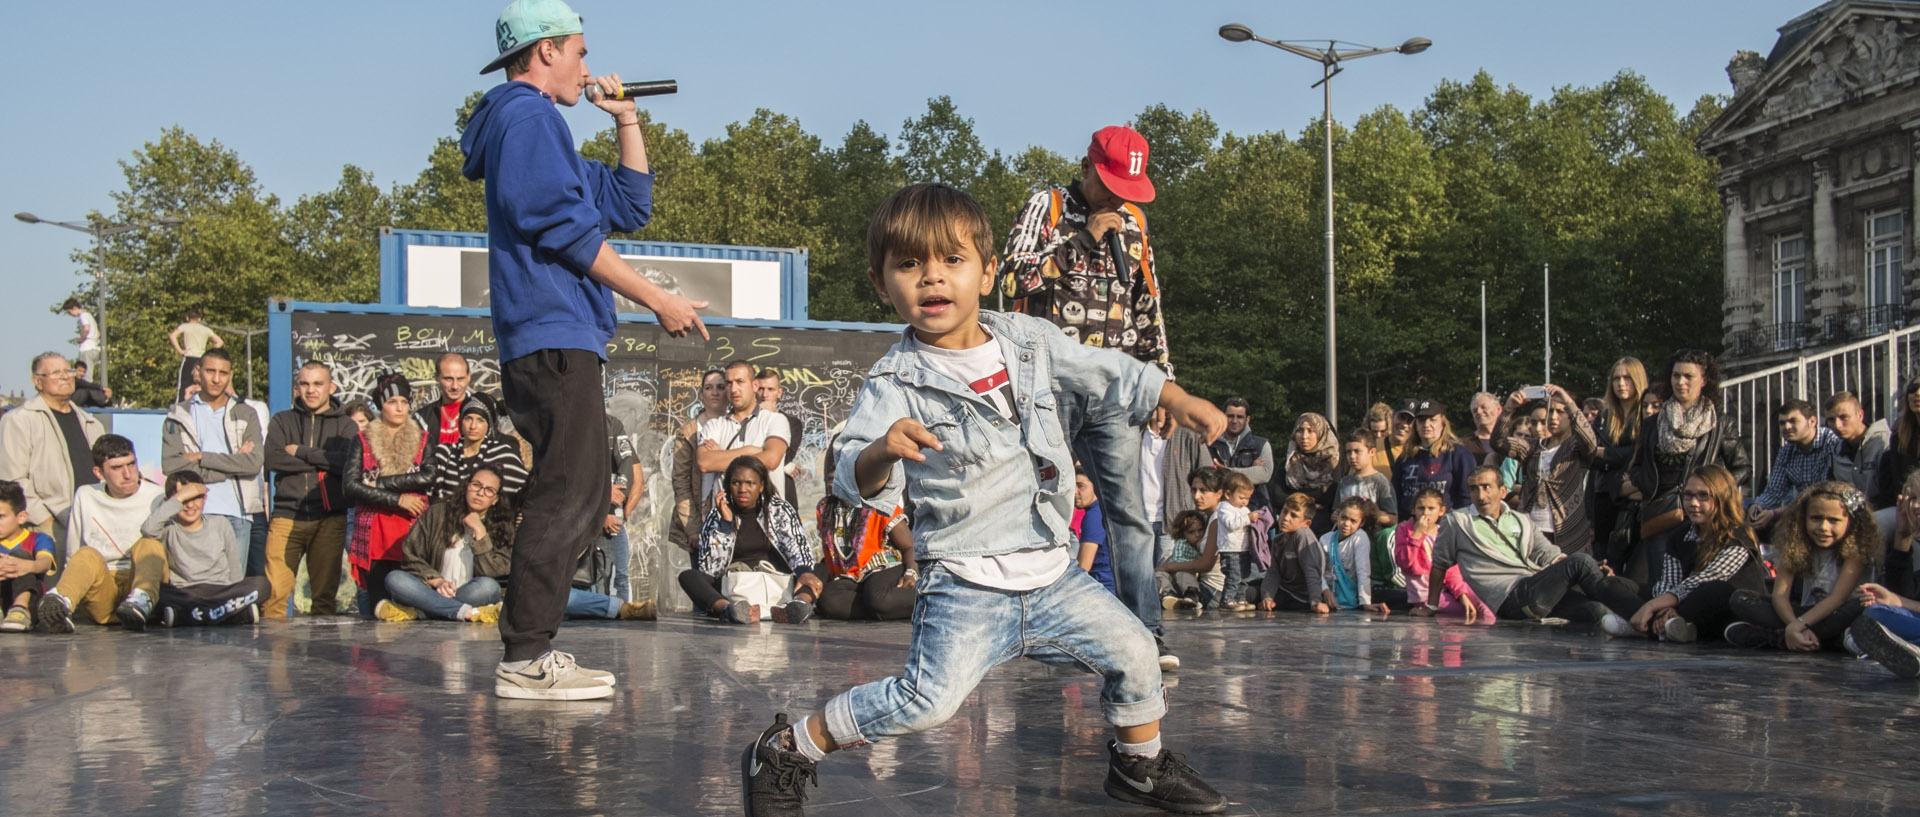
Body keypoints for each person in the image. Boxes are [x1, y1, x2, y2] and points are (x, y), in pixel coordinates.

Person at [740, 183, 1227, 817]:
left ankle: (1138, 765)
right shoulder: (895, 379)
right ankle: (788, 747)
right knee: (926, 702)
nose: (932, 278)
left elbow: (1105, 369)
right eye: (910, 265)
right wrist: (883, 449)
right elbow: (848, 473)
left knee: (1137, 651)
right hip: (966, 583)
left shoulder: (1029, 341)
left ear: (989, 271)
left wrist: (1176, 398)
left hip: (1054, 577)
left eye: (952, 261)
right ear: (881, 281)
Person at [465, 0, 711, 701]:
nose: (585, 65)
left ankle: (528, 649)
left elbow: (630, 204)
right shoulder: (528, 117)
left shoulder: (543, 136)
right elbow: (566, 230)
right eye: (577, 50)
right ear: (544, 52)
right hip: (553, 332)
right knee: (571, 489)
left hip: (555, 336)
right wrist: (656, 298)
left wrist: (627, 117)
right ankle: (525, 655)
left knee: (571, 486)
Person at [997, 125, 1177, 666]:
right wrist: (1080, 240)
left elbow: (1148, 303)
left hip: (1115, 386)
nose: (1120, 197)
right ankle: (1037, 627)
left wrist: (1162, 381)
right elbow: (1008, 280)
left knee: (1129, 512)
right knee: (1044, 505)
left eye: (1129, 187)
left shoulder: (1136, 225)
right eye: (1111, 183)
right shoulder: (1047, 207)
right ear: (1086, 167)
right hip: (1048, 382)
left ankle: (1146, 632)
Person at [1417, 467, 1615, 624]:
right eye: (1473, 488)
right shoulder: (1457, 521)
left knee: (1596, 611)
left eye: (1486, 487)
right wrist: (1432, 606)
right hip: (1510, 598)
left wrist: (1590, 571)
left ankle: (1628, 623)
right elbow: (1439, 565)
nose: (1480, 495)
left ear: (1503, 491)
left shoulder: (1522, 520)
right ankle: (1635, 614)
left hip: (1536, 591)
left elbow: (1549, 555)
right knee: (1580, 561)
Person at [1592, 465, 1764, 642]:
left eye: (1703, 496)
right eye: (1688, 495)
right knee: (1608, 585)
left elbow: (1707, 578)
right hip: (1683, 603)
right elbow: (1668, 581)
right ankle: (1662, 627)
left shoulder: (1739, 535)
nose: (1693, 503)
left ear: (1722, 498)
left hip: (1724, 610)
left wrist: (1653, 606)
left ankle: (1651, 627)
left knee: (1712, 589)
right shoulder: (1679, 535)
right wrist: (1661, 609)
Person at [1726, 481, 1877, 651]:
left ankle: (1777, 638)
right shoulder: (1795, 544)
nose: (1823, 527)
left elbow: (1837, 599)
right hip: (1804, 614)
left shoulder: (1857, 551)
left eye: (1833, 520)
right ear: (1802, 518)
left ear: (1852, 522)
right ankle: (1809, 639)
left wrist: (1798, 625)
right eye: (1816, 518)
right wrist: (1793, 624)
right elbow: (1780, 596)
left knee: (1862, 605)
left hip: (1837, 614)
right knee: (1741, 599)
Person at [37, 435, 166, 632]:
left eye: (131, 464)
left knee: (149, 545)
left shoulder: (157, 495)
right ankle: (60, 604)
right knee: (86, 554)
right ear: (99, 472)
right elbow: (74, 553)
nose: (128, 473)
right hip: (102, 588)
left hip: (143, 581)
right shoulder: (86, 495)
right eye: (116, 468)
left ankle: (140, 602)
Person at [1627, 349, 1749, 557]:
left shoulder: (1720, 424)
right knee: (1660, 582)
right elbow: (1636, 466)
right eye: (1676, 375)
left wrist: (1713, 490)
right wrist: (1647, 485)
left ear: (1703, 380)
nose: (1680, 382)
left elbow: (1742, 467)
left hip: (1702, 515)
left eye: (1688, 376)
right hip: (1661, 513)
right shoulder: (1652, 424)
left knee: (1697, 581)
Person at [262, 361, 356, 618]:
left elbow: (347, 463)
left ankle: (321, 659)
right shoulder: (282, 420)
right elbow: (272, 459)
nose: (311, 390)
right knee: (274, 596)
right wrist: (324, 461)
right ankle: (275, 657)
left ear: (331, 387)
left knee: (324, 600)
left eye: (318, 383)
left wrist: (302, 452)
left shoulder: (346, 426)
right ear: (296, 388)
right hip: (286, 515)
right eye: (304, 384)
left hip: (329, 517)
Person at [680, 456, 818, 624]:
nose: (742, 489)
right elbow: (710, 570)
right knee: (688, 576)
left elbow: (796, 547)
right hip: (735, 586)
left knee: (817, 569)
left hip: (777, 581)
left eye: (750, 483)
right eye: (736, 483)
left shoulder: (779, 509)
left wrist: (804, 573)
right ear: (728, 486)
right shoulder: (717, 514)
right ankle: (730, 610)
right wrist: (725, 525)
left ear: (761, 486)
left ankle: (798, 606)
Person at [161, 348, 264, 559]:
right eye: (210, 371)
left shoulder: (245, 412)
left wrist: (202, 457)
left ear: (231, 375)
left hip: (238, 513)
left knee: (232, 588)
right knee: (195, 587)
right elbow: (171, 466)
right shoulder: (178, 414)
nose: (217, 379)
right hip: (193, 511)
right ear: (197, 372)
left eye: (223, 373)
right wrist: (230, 468)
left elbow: (253, 463)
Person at [344, 372, 432, 617]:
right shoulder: (363, 440)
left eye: (404, 402)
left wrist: (379, 483)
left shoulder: (423, 439)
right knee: (379, 604)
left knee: (413, 603)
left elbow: (429, 475)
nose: (400, 408)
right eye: (393, 402)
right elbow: (350, 486)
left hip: (411, 528)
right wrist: (398, 498)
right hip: (375, 529)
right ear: (380, 405)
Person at [377, 468, 513, 623]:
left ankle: (422, 611)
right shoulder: (438, 513)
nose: (481, 492)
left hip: (469, 593)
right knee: (395, 579)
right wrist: (437, 581)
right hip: (430, 590)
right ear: (466, 486)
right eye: (476, 485)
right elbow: (411, 554)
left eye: (489, 490)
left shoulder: (503, 527)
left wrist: (480, 533)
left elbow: (493, 572)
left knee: (489, 587)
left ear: (495, 499)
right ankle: (466, 612)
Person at [0, 352, 103, 552]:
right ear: (38, 382)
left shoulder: (91, 423)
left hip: (92, 526)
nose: (65, 376)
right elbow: (12, 478)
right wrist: (44, 519)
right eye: (56, 373)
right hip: (48, 528)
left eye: (68, 370)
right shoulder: (20, 420)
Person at [139, 471, 271, 627]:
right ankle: (228, 614)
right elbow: (147, 530)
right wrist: (176, 500)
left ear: (205, 499)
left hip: (221, 592)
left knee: (262, 585)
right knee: (157, 594)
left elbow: (235, 569)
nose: (189, 505)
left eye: (195, 498)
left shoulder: (220, 524)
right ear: (170, 502)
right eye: (183, 499)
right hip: (186, 593)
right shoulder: (169, 528)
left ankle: (191, 617)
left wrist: (236, 592)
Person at [1491, 385, 1596, 555]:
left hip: (1567, 533)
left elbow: (1590, 442)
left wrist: (1568, 401)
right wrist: (1509, 408)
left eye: (1560, 412)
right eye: (1550, 411)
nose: (1553, 417)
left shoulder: (1575, 446)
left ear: (1570, 415)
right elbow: (1498, 443)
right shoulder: (1532, 447)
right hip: (1532, 530)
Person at [816, 449, 916, 621]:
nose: (832, 480)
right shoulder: (825, 508)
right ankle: (882, 609)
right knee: (828, 599)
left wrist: (911, 572)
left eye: (837, 475)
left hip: (885, 568)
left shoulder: (878, 502)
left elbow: (908, 546)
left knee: (877, 596)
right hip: (852, 577)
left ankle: (926, 601)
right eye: (829, 477)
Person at [697, 361, 792, 506]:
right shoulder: (714, 425)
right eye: (729, 383)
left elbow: (772, 459)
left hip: (766, 519)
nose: (734, 389)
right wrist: (750, 451)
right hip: (726, 520)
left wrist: (721, 456)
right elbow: (705, 462)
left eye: (740, 382)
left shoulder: (775, 420)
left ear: (755, 385)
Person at [1393, 488, 1489, 622]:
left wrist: (1461, 594)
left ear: (1441, 511)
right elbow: (1407, 564)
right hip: (1425, 595)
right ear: (1413, 510)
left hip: (1452, 587)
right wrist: (1417, 535)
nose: (1425, 513)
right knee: (1464, 612)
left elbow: (1451, 569)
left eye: (1431, 508)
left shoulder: (1442, 532)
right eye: (1421, 508)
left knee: (1485, 606)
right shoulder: (1404, 530)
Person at [1747, 400, 1841, 535]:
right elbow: (1774, 491)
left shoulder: (1831, 443)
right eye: (1782, 423)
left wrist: (1775, 513)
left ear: (1812, 421)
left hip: (1828, 511)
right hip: (1800, 511)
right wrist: (1757, 506)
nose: (1787, 427)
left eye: (1793, 421)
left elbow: (1822, 493)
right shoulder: (1787, 451)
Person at [1142, 405, 1212, 580]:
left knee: (1166, 574)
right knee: (1140, 578)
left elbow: (1207, 474)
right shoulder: (1136, 433)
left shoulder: (1189, 434)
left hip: (1175, 520)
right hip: (1140, 518)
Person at [1591, 357, 1647, 571]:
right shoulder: (1604, 416)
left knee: (1634, 567)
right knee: (1604, 564)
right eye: (1616, 378)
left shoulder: (1646, 415)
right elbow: (1590, 456)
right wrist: (1611, 456)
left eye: (1627, 378)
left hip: (1633, 499)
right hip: (1603, 495)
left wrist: (1605, 454)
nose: (1621, 383)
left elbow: (1639, 452)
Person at [671, 369, 729, 552]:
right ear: (701, 393)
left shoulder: (739, 425)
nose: (715, 392)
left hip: (729, 513)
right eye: (709, 387)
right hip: (701, 516)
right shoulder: (689, 431)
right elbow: (680, 480)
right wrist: (692, 528)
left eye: (720, 387)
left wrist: (720, 455)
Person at [427, 402, 529, 504]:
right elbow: (429, 492)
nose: (473, 426)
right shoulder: (444, 453)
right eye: (468, 419)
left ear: (488, 425)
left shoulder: (503, 454)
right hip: (447, 515)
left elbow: (525, 489)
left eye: (480, 420)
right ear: (461, 422)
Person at [1391, 400, 1479, 517]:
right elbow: (1396, 495)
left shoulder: (1458, 454)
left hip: (1448, 525)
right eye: (1421, 420)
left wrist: (1456, 523)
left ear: (1442, 423)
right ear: (1415, 425)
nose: (1426, 424)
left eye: (1432, 419)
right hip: (1411, 527)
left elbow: (1467, 495)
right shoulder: (1405, 456)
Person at [1158, 471, 1226, 609]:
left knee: (1158, 577)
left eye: (1203, 491)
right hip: (1204, 586)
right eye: (1194, 490)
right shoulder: (1207, 518)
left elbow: (1205, 564)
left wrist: (1169, 567)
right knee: (1159, 575)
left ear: (1219, 493)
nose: (1196, 496)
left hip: (1213, 591)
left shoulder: (1219, 519)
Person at [1260, 492, 1330, 613]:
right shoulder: (1278, 539)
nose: (1286, 518)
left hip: (1301, 598)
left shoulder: (1302, 535)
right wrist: (1267, 597)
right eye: (1284, 511)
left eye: (1294, 515)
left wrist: (1316, 602)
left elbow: (1312, 571)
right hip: (1285, 591)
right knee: (1247, 594)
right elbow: (1273, 572)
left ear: (1306, 523)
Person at [415, 354, 504, 447]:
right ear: (437, 377)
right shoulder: (422, 417)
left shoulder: (486, 410)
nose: (455, 386)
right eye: (448, 379)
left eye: (460, 379)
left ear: (469, 376)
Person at [0, 481, 55, 632]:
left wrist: (24, 566)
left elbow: (45, 563)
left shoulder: (38, 539)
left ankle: (20, 609)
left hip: (31, 601)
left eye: (1, 517)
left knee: (21, 556)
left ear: (21, 517)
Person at [1323, 497, 1390, 615]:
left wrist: (1365, 603)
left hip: (1349, 598)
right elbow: (1317, 571)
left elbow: (1363, 571)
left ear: (1361, 523)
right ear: (1338, 515)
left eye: (1353, 521)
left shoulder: (1360, 538)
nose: (1346, 524)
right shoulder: (1325, 539)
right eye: (1343, 517)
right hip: (1325, 595)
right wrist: (1325, 591)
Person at [603, 413, 645, 601]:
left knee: (621, 574)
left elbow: (632, 469)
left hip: (615, 510)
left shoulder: (612, 424)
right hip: (587, 515)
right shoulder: (570, 424)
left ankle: (622, 613)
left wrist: (619, 512)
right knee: (593, 575)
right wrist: (602, 500)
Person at [1210, 397, 1274, 512]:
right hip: (1220, 512)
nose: (1234, 421)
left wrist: (1225, 471)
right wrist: (1250, 470)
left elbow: (1264, 474)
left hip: (1253, 512)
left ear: (1247, 419)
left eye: (1239, 417)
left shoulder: (1261, 445)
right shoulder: (1210, 444)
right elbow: (1207, 477)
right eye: (1230, 416)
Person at [1277, 412, 1339, 531]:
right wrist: (1311, 502)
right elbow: (1277, 496)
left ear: (1321, 433)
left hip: (1322, 527)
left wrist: (1293, 497)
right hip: (1290, 527)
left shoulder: (1333, 461)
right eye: (1300, 430)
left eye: (1311, 431)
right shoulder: (1289, 461)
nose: (1304, 436)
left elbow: (1329, 496)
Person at [755, 367, 805, 507]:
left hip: (782, 491)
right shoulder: (745, 421)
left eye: (770, 389)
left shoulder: (792, 423)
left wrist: (772, 416)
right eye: (761, 389)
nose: (765, 394)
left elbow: (785, 457)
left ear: (779, 392)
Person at [1825, 391, 1889, 498]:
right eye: (1831, 420)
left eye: (1843, 417)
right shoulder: (1835, 451)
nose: (1837, 425)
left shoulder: (1883, 442)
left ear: (1860, 415)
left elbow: (1890, 493)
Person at [1872, 377, 1920, 510]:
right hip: (1907, 507)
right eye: (1912, 389)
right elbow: (1895, 483)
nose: (1917, 393)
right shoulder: (1900, 436)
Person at [1156, 509, 1216, 610]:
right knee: (1159, 575)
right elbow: (1174, 560)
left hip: (1188, 578)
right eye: (1191, 532)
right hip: (1175, 576)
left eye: (1200, 530)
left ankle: (1191, 595)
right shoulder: (1182, 545)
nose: (1197, 535)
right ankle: (1168, 594)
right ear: (1182, 534)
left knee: (1183, 573)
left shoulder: (1203, 544)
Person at [1212, 472, 1256, 611]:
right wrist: (1248, 518)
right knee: (1233, 575)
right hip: (1230, 549)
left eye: (1248, 498)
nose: (1245, 501)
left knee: (1244, 575)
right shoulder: (1224, 508)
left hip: (1243, 548)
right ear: (1228, 494)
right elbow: (1231, 524)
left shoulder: (1244, 509)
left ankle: (1240, 598)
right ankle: (1227, 600)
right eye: (1241, 497)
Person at [1335, 428, 1397, 519]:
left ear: (1372, 452)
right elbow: (1335, 512)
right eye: (1348, 452)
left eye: (1357, 451)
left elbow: (1392, 518)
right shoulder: (1344, 482)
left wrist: (1367, 514)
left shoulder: (1381, 482)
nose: (1352, 456)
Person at [168, 308, 223, 402]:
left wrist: (180, 350)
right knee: (203, 384)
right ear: (199, 319)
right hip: (202, 359)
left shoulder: (185, 326)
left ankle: (180, 406)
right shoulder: (206, 329)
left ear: (187, 318)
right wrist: (209, 354)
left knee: (183, 384)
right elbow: (219, 342)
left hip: (189, 357)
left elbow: (172, 336)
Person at [1073, 472, 1116, 594]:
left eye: (1080, 486)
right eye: (1073, 486)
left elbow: (1083, 567)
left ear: (1095, 487)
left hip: (1103, 589)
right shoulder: (1103, 510)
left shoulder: (1093, 516)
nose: (1075, 492)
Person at [64, 299, 100, 376]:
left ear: (74, 308)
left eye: (69, 312)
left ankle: (86, 387)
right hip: (94, 347)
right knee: (89, 371)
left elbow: (86, 328)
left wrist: (81, 339)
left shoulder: (83, 316)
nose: (70, 315)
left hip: (87, 348)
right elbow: (98, 334)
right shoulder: (89, 315)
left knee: (84, 374)